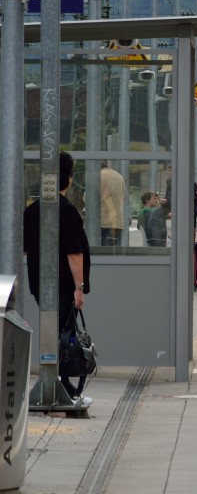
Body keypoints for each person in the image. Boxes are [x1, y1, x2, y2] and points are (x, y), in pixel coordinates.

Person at [23, 151, 92, 405]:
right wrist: (79, 288)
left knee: (56, 332)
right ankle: (59, 384)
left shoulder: (31, 212)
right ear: (70, 180)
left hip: (39, 284)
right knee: (64, 335)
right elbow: (75, 254)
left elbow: (25, 247)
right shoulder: (68, 211)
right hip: (62, 286)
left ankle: (60, 382)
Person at [99, 160, 127, 246]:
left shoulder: (99, 175)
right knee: (112, 254)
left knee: (99, 253)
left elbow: (89, 198)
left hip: (103, 221)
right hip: (117, 221)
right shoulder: (119, 176)